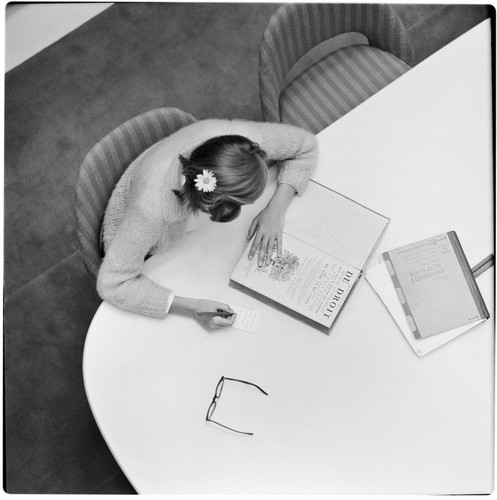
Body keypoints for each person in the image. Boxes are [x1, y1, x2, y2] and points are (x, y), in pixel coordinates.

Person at [97, 118, 318, 329]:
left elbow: (305, 145)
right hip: (136, 238)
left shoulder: (242, 146)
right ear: (222, 210)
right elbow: (112, 283)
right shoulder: (151, 211)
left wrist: (275, 209)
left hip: (173, 200)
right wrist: (191, 307)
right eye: (246, 202)